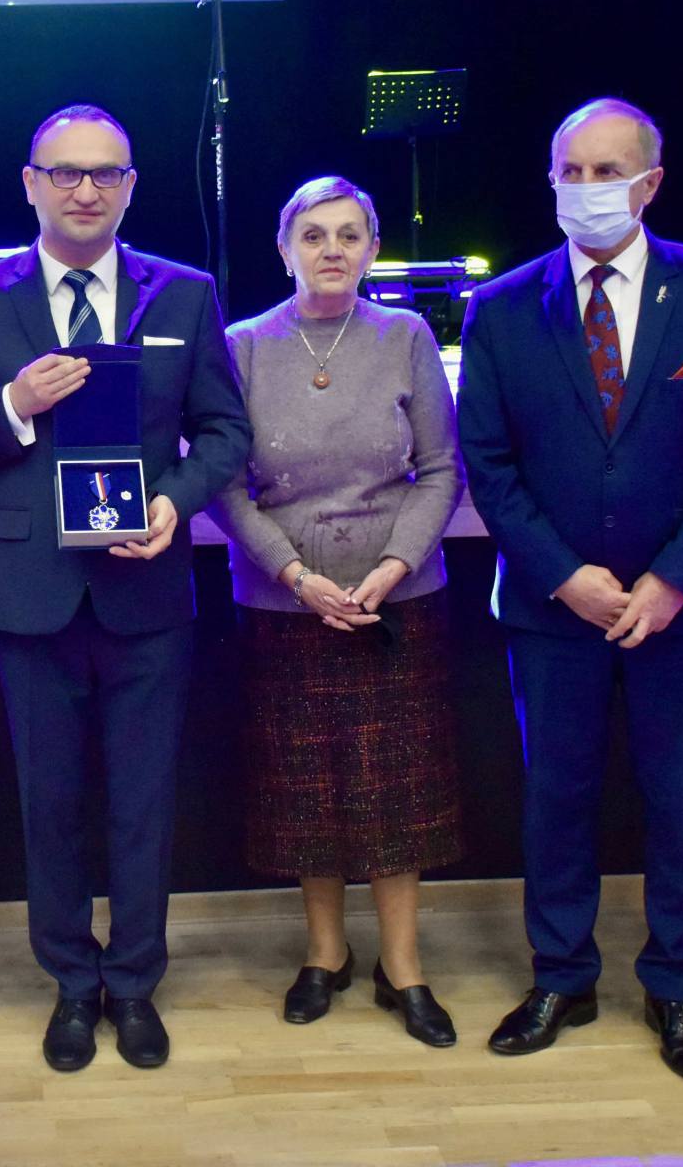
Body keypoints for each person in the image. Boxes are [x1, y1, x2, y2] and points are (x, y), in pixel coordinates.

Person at [0, 104, 250, 1072]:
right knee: (48, 800)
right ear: (31, 182)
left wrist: (176, 503)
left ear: (131, 185)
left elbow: (224, 432)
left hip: (146, 591)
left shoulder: (183, 294)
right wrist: (12, 404)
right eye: (65, 172)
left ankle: (136, 982)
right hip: (29, 590)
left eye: (105, 172)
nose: (85, 189)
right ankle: (70, 980)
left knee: (145, 801)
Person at [456, 98, 683, 1082]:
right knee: (558, 795)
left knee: (680, 799)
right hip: (555, 610)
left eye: (607, 171)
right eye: (570, 170)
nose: (586, 189)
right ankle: (564, 973)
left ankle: (676, 982)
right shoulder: (502, 307)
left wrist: (675, 580)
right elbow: (489, 463)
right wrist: (565, 576)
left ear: (651, 182)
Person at [209, 176, 466, 1046]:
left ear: (371, 247)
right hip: (286, 605)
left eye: (349, 235)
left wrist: (394, 566)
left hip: (398, 600)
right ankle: (325, 955)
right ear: (284, 248)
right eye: (313, 235)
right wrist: (292, 575)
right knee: (306, 794)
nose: (331, 250)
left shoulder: (407, 337)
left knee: (401, 793)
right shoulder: (241, 344)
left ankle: (404, 967)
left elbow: (441, 471)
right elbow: (223, 482)